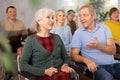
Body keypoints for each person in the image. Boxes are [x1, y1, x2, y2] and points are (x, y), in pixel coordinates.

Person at [20, 8, 75, 80]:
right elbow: (23, 65)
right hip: (41, 76)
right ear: (39, 21)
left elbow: (66, 57)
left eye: (52, 18)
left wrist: (64, 65)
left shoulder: (57, 37)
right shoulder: (31, 40)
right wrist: (44, 71)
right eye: (48, 17)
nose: (52, 20)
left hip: (61, 74)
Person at [71, 5, 120, 80]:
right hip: (96, 67)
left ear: (93, 16)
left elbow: (113, 51)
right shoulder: (78, 33)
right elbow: (73, 55)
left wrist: (99, 46)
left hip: (114, 64)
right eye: (80, 16)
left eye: (85, 15)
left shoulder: (104, 29)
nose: (82, 18)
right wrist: (86, 60)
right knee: (107, 78)